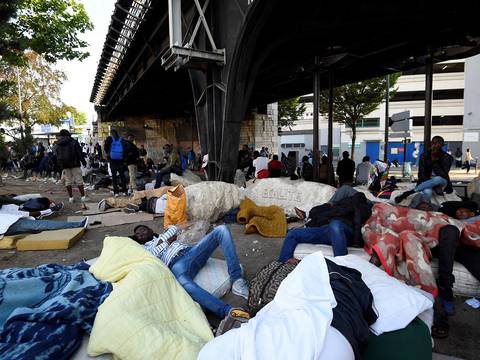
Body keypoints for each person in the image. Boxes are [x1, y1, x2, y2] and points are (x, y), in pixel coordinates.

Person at [132, 224, 250, 320]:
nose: (140, 233)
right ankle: (227, 311)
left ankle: (237, 280)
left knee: (221, 230)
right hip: (176, 265)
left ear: (151, 229)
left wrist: (163, 239)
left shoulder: (163, 235)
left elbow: (174, 228)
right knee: (183, 282)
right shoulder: (145, 249)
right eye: (137, 234)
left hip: (191, 251)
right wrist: (167, 242)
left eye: (142, 229)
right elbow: (153, 255)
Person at [431, 201, 480, 338]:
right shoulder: (448, 221)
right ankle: (445, 287)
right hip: (441, 241)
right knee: (450, 230)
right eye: (458, 211)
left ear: (473, 213)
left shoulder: (474, 221)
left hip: (464, 246)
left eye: (463, 211)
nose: (459, 212)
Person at [279, 190, 372, 261]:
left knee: (335, 225)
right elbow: (323, 213)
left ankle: (342, 266)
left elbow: (358, 220)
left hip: (345, 231)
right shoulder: (341, 203)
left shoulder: (365, 207)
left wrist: (357, 241)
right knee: (293, 233)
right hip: (327, 230)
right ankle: (283, 264)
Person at [395, 136, 453, 203]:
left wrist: (434, 162)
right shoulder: (424, 156)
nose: (435, 145)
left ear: (442, 145)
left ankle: (409, 192)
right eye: (434, 143)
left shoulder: (447, 157)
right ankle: (425, 208)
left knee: (438, 178)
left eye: (438, 143)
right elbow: (421, 173)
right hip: (426, 180)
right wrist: (433, 186)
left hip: (442, 182)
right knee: (427, 192)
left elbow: (443, 174)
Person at [0, 199, 87, 238]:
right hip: (6, 224)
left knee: (35, 225)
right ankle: (78, 224)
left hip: (6, 223)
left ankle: (48, 212)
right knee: (38, 224)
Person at [54, 129, 89, 203]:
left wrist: (60, 165)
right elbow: (79, 153)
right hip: (75, 163)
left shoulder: (58, 144)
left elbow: (57, 156)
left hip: (65, 165)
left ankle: (71, 198)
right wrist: (83, 162)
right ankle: (83, 197)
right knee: (79, 180)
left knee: (68, 181)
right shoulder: (73, 141)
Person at [104, 129, 128, 196]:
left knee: (114, 176)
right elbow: (126, 148)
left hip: (112, 160)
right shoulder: (121, 139)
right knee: (122, 175)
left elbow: (105, 147)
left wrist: (109, 153)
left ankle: (116, 192)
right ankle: (124, 191)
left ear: (111, 133)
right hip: (120, 160)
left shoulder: (109, 139)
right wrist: (123, 157)